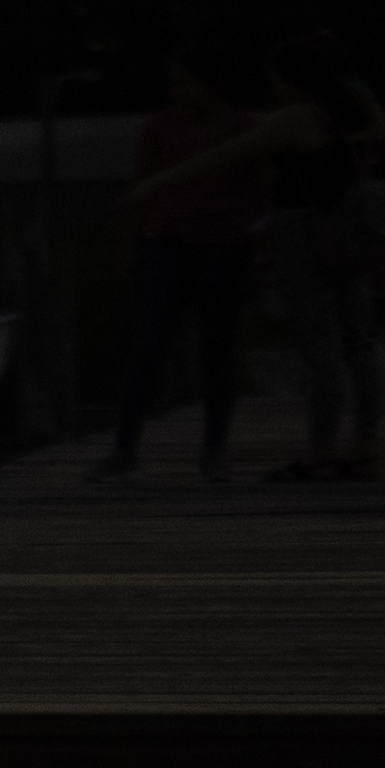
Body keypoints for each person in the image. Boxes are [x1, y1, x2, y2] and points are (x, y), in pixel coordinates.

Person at [101, 49, 289, 479]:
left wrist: (259, 247)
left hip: (224, 247)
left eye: (188, 83)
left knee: (218, 348)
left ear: (214, 84)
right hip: (167, 244)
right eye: (176, 84)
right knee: (148, 347)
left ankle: (213, 448)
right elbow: (143, 185)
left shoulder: (244, 129)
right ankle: (124, 447)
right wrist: (132, 245)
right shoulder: (160, 127)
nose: (180, 92)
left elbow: (266, 190)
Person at [270, 53, 381, 486]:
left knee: (321, 350)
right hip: (352, 235)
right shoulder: (360, 115)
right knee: (359, 343)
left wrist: (158, 183)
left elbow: (231, 153)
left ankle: (320, 451)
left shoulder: (299, 117)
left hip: (306, 237)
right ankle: (365, 446)